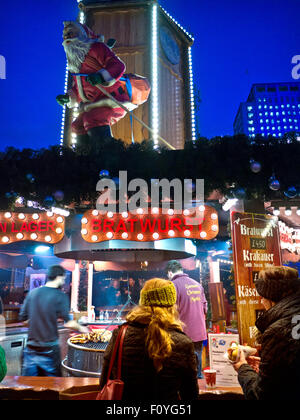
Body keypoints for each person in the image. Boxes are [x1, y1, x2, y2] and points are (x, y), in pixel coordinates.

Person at [100, 278, 199, 400]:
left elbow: (104, 381)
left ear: (143, 302)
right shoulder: (184, 343)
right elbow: (190, 394)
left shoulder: (120, 335)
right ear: (172, 305)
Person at [232, 266, 300, 400]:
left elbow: (260, 395)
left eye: (262, 297)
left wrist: (242, 368)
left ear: (271, 297)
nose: (261, 302)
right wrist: (267, 365)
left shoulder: (277, 331)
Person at [19, 265, 88, 376]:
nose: (64, 281)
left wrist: (37, 321)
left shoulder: (32, 293)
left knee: (28, 388)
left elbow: (23, 319)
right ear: (59, 277)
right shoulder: (60, 296)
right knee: (53, 387)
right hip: (49, 350)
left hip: (30, 349)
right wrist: (83, 328)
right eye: (64, 279)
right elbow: (69, 323)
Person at [166, 260, 208, 379]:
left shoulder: (172, 285)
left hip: (183, 330)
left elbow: (171, 310)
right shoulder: (197, 284)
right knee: (197, 354)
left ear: (169, 273)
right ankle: (198, 377)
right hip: (199, 329)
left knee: (183, 359)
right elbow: (205, 307)